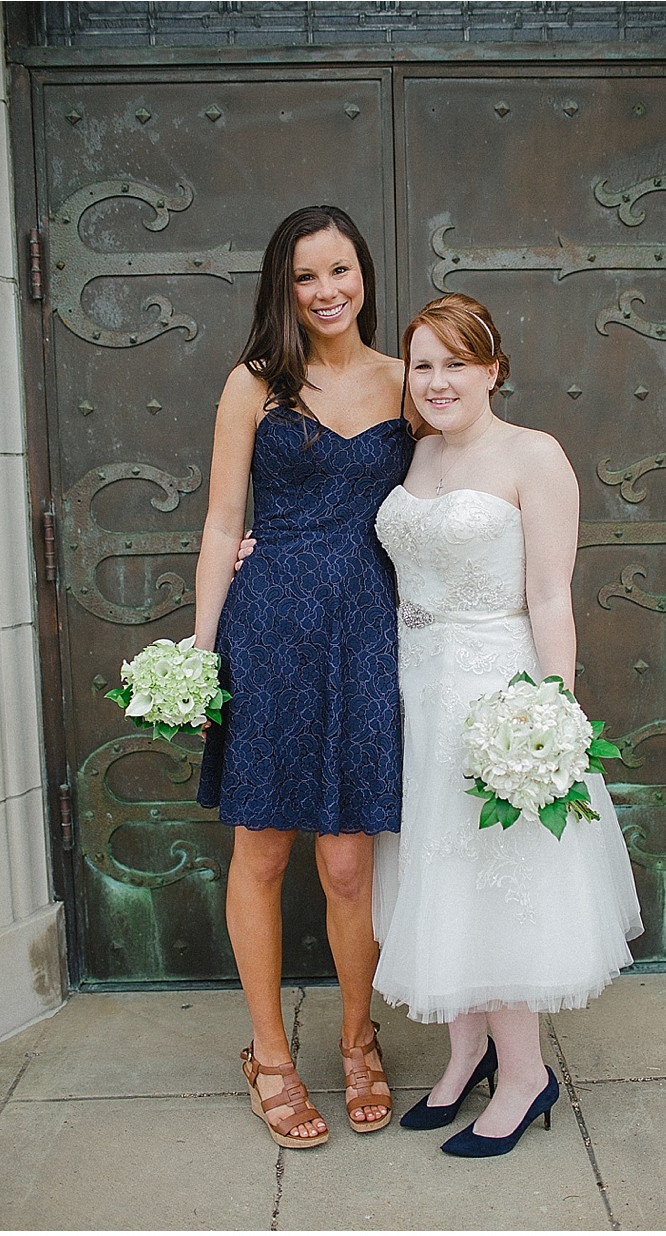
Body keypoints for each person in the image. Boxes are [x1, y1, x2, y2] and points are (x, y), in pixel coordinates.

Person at [369, 292, 645, 1157]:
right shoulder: (411, 457)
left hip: (495, 693)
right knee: (435, 876)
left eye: (456, 362)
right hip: (416, 691)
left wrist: (552, 708)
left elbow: (551, 592)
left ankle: (524, 1075)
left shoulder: (534, 455)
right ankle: (465, 1056)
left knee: (493, 880)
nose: (438, 381)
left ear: (493, 369)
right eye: (423, 365)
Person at [193, 205, 412, 1148]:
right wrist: (200, 651)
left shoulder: (410, 382)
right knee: (265, 848)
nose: (326, 292)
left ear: (364, 273)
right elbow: (218, 522)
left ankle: (359, 1042)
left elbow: (458, 497)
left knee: (349, 859)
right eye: (306, 277)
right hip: (271, 627)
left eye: (340, 271)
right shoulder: (253, 385)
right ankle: (270, 1056)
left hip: (370, 632)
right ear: (284, 288)